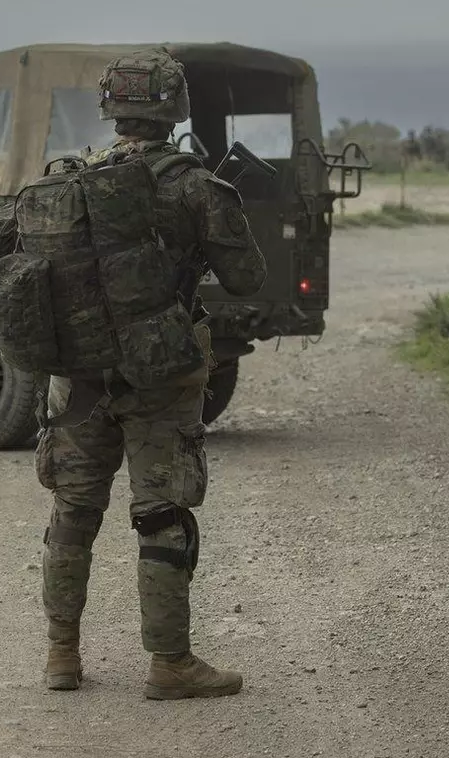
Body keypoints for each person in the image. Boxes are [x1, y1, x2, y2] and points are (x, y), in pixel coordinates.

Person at [16, 48, 266, 699]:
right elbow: (247, 278)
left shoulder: (70, 180)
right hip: (160, 380)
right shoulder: (194, 186)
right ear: (175, 108)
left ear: (110, 107)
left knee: (72, 511)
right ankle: (170, 664)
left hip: (77, 378)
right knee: (160, 514)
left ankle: (61, 657)